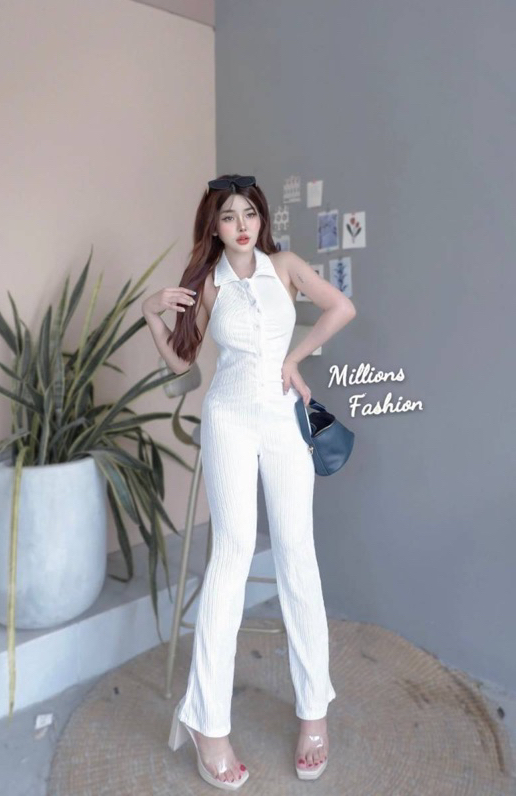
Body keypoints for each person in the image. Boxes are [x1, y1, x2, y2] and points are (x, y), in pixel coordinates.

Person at [142, 174, 356, 789]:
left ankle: (314, 714)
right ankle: (207, 724)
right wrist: (150, 314)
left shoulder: (284, 266)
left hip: (284, 420)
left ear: (262, 219)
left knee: (297, 555)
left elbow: (341, 308)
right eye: (230, 216)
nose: (242, 225)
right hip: (229, 420)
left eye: (250, 214)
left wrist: (294, 358)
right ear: (214, 226)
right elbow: (182, 360)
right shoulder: (207, 284)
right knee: (231, 555)